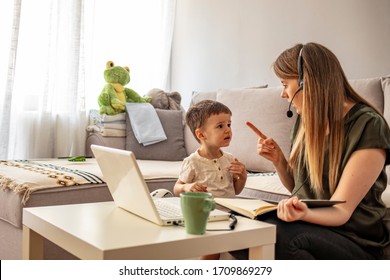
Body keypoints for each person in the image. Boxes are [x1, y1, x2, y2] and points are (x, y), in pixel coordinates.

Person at [233, 42, 390, 260]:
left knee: (277, 238)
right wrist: (279, 161)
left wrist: (304, 213)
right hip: (314, 228)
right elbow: (300, 190)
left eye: (285, 84)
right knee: (238, 231)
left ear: (306, 82)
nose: (283, 95)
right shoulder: (305, 121)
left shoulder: (368, 125)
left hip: (356, 240)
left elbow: (341, 212)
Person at [174, 99, 247, 260]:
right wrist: (187, 187)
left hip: (229, 213)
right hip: (206, 214)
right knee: (213, 249)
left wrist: (242, 176)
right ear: (201, 134)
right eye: (220, 126)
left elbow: (235, 190)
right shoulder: (192, 162)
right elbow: (177, 188)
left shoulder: (229, 159)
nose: (228, 130)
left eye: (229, 124)